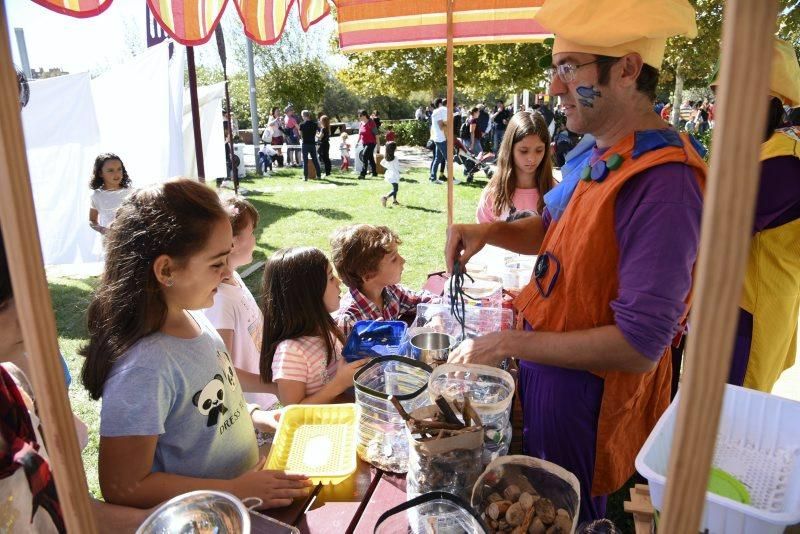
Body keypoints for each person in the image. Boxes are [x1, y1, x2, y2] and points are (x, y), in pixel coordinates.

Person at [444, 0, 704, 522]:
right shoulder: (602, 149)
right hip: (551, 376)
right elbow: (554, 229)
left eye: (569, 68)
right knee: (540, 507)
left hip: (590, 399)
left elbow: (639, 345)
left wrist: (505, 342)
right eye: (554, 69)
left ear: (628, 68)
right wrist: (487, 230)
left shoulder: (666, 183)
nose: (555, 88)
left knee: (572, 515)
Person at [81, 178, 312, 508]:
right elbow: (124, 486)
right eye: (217, 263)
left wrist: (254, 415)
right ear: (166, 270)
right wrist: (233, 490)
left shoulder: (195, 316)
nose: (227, 273)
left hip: (243, 500)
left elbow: (203, 405)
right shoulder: (143, 368)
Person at [0, 226, 152, 533]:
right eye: (3, 306)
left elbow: (67, 505)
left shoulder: (15, 383)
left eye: (27, 291)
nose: (26, 314)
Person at [718, 38, 800, 392]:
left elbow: (718, 230)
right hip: (733, 306)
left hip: (750, 313)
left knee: (731, 418)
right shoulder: (756, 150)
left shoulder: (783, 162)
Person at [259, 247, 367, 405]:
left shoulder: (326, 327)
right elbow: (293, 411)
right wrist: (340, 384)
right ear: (308, 294)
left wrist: (363, 345)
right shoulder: (291, 351)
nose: (339, 281)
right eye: (331, 277)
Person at [204, 197, 277, 412]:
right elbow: (222, 367)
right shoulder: (219, 299)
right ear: (232, 242)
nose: (255, 239)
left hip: (260, 399)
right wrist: (273, 386)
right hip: (245, 407)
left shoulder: (233, 277)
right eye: (252, 232)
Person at [331, 224, 437, 339]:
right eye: (394, 259)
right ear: (368, 275)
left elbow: (426, 299)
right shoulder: (348, 320)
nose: (403, 260)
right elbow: (343, 356)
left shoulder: (392, 292)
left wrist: (437, 316)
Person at [476, 111, 555, 223]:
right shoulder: (493, 193)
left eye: (539, 150)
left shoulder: (556, 191)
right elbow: (482, 234)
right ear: (510, 149)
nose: (531, 158)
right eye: (523, 151)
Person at [89, 153, 133, 237]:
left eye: (119, 169)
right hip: (110, 244)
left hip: (131, 242)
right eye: (110, 170)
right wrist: (102, 229)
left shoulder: (132, 193)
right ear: (100, 173)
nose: (116, 174)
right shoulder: (97, 196)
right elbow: (92, 220)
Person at [298, 110, 322, 181]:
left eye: (302, 116)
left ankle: (305, 177)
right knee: (315, 160)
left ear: (304, 116)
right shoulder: (314, 124)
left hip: (305, 144)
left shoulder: (301, 125)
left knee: (305, 161)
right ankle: (319, 175)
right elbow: (320, 130)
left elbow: (300, 134)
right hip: (312, 144)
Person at [429, 98, 448, 184]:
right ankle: (452, 178)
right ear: (440, 104)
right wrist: (449, 124)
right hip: (440, 139)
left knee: (438, 158)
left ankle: (433, 177)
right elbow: (441, 126)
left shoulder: (437, 112)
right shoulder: (437, 113)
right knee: (448, 158)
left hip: (439, 138)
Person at [357, 109, 379, 179]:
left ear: (364, 115)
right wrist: (357, 142)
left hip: (371, 143)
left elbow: (376, 134)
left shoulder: (371, 122)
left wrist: (378, 145)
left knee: (364, 155)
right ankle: (374, 173)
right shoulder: (361, 123)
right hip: (364, 143)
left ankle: (363, 174)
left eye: (360, 115)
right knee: (370, 158)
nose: (359, 117)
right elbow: (360, 134)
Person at [380, 141, 401, 207]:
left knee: (394, 188)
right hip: (394, 175)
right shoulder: (395, 158)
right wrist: (406, 171)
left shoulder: (386, 157)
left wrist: (388, 167)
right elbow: (398, 168)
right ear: (393, 149)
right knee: (395, 189)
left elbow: (381, 163)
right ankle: (385, 198)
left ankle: (394, 201)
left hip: (389, 174)